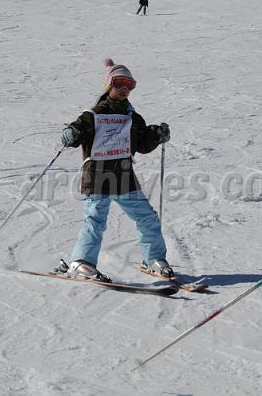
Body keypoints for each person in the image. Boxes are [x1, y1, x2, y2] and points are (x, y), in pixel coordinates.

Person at [55, 59, 173, 282]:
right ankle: (81, 262)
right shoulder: (93, 115)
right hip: (97, 176)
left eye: (130, 85)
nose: (124, 88)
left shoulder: (133, 118)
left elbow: (142, 145)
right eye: (119, 83)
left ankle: (155, 259)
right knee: (95, 221)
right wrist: (70, 134)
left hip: (124, 177)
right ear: (109, 84)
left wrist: (156, 136)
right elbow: (74, 133)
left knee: (147, 217)